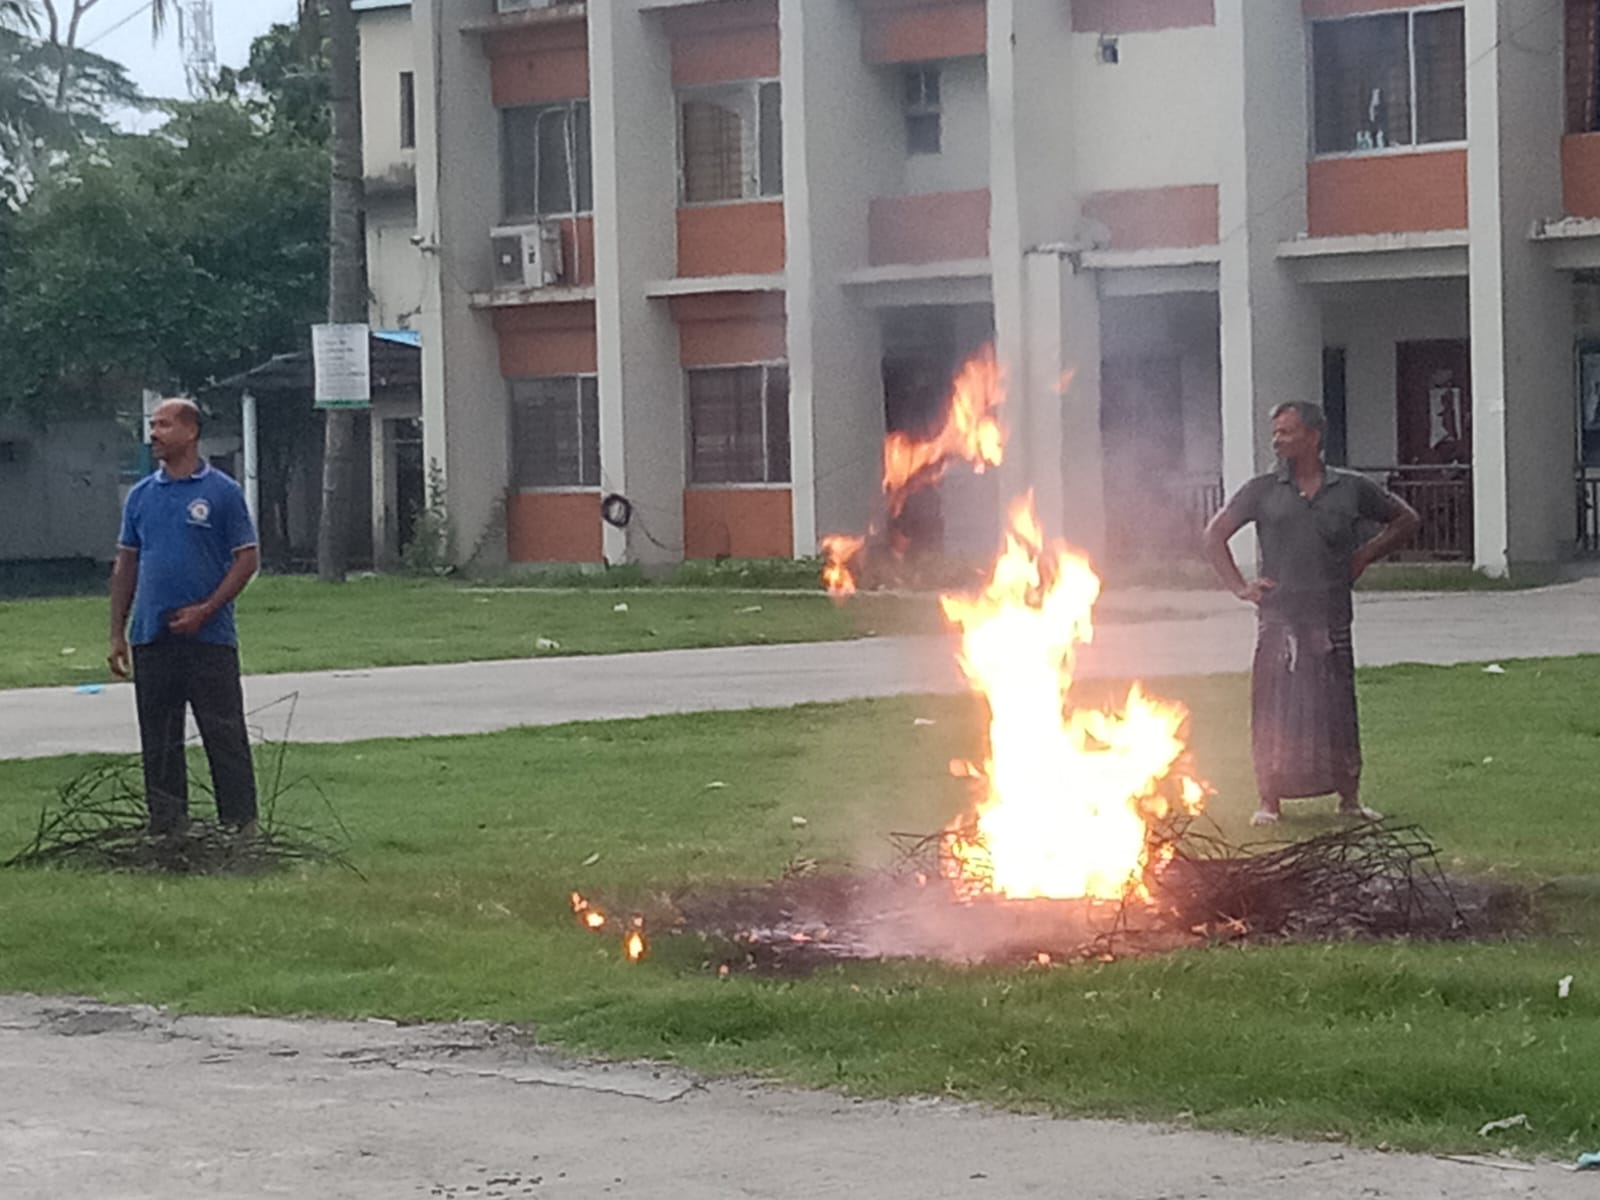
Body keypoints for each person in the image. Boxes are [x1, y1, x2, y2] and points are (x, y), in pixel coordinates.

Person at [1203, 402, 1420, 827]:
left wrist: (1363, 556)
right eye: (1276, 433)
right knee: (1275, 707)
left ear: (1314, 437)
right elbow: (1214, 535)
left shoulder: (1351, 488)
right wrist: (1241, 587)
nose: (1277, 440)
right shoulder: (1262, 490)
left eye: (1287, 432)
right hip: (1279, 618)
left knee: (1336, 705)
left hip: (1331, 614)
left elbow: (1406, 519)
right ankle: (1269, 801)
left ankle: (1349, 798)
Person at [108, 398, 261, 838]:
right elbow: (126, 566)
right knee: (159, 739)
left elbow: (246, 559)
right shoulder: (141, 496)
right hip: (152, 636)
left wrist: (207, 609)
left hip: (209, 638)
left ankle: (239, 827)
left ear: (191, 431)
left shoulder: (221, 492)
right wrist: (118, 633)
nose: (154, 433)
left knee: (224, 733)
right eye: (152, 424)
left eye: (164, 424)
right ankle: (168, 827)